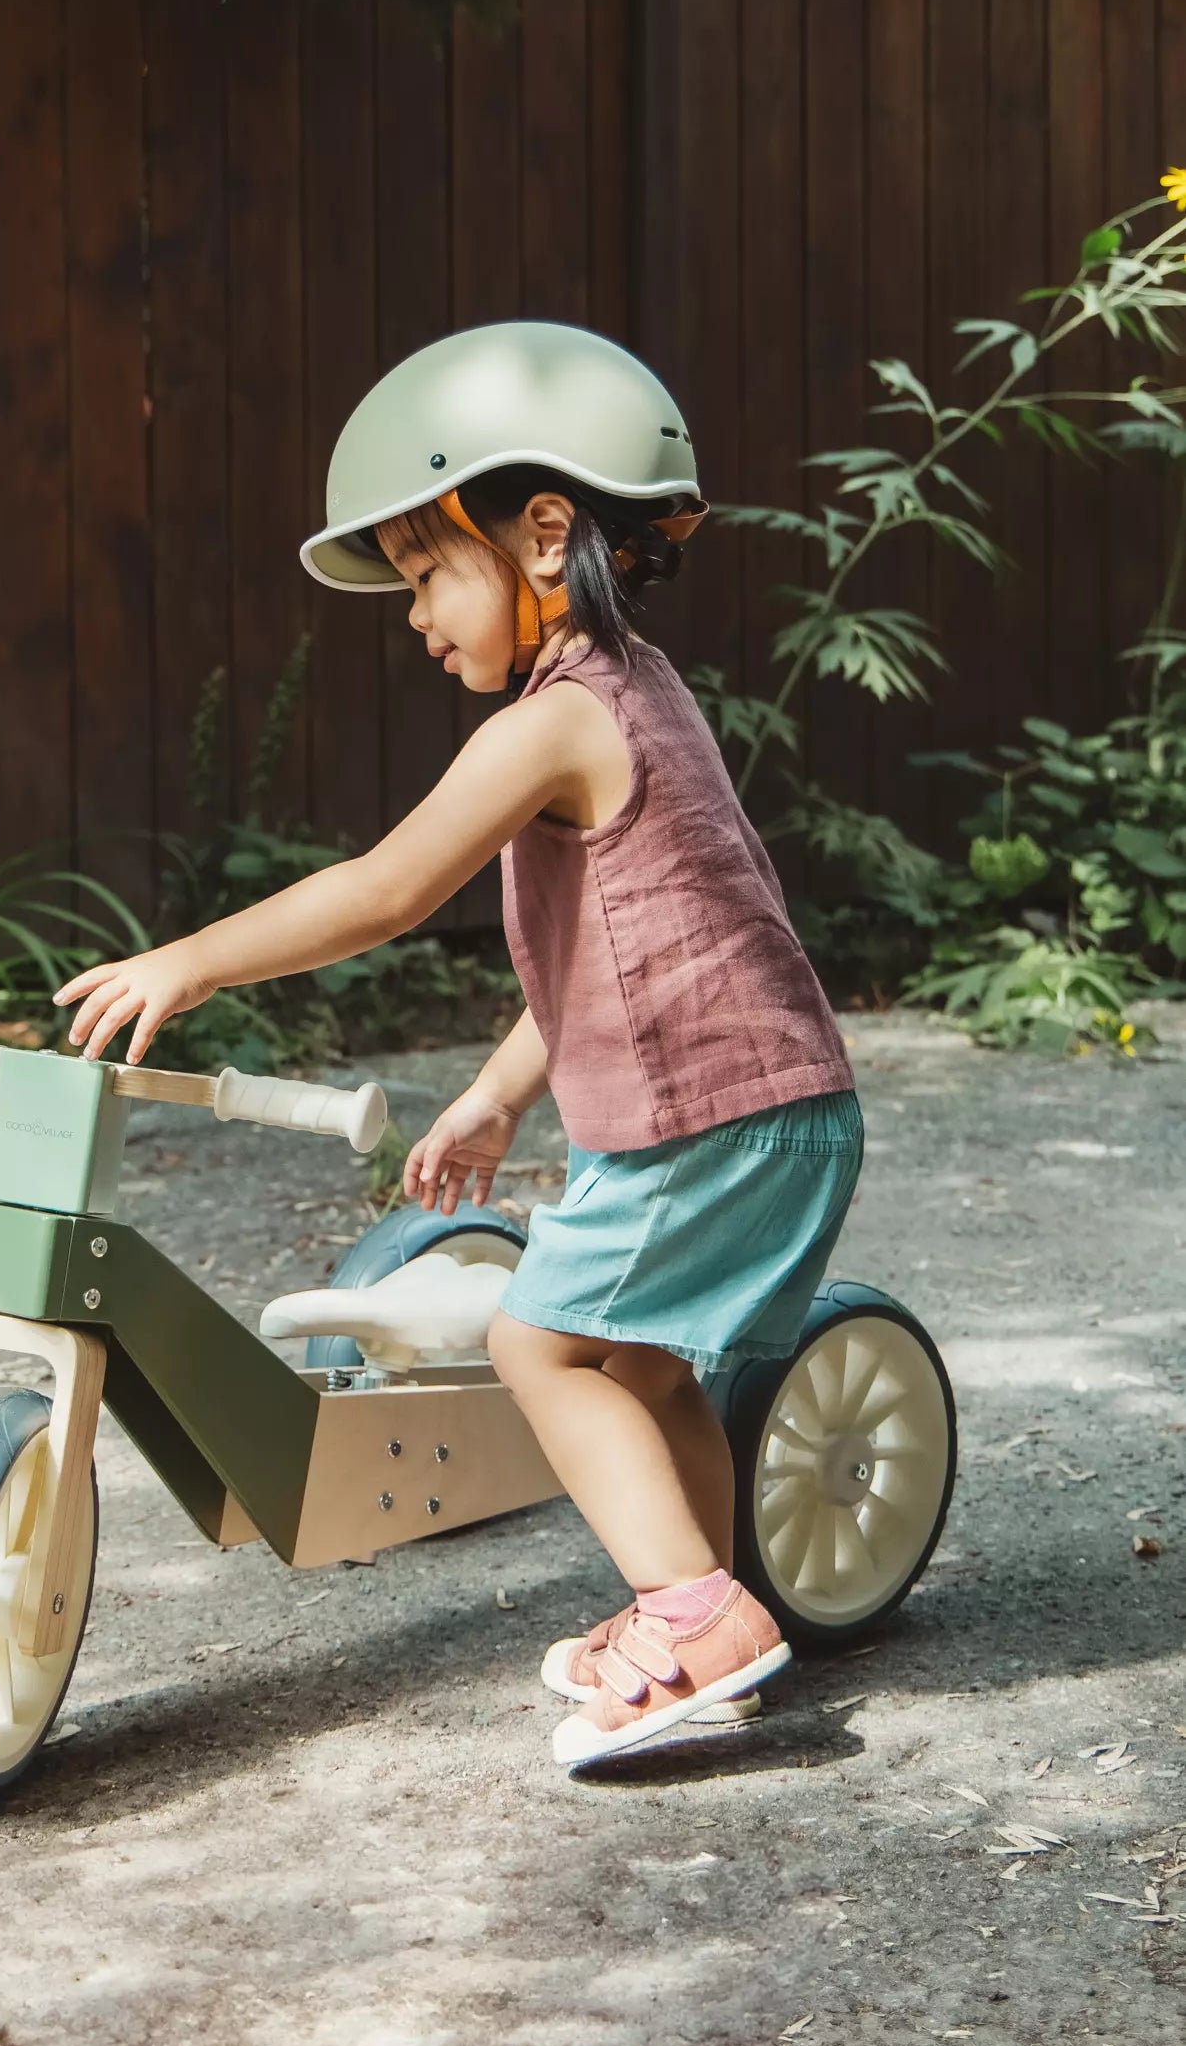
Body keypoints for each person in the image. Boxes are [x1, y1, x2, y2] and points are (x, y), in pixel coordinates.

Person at [53, 320, 863, 1770]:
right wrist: (496, 1095)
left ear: (544, 536)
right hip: (771, 1110)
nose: (416, 613)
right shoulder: (642, 694)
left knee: (535, 1346)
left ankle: (692, 1621)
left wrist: (191, 958)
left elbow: (383, 890)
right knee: (644, 1372)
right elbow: (626, 956)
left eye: (427, 571)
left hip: (706, 1126)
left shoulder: (552, 725)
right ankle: (709, 1612)